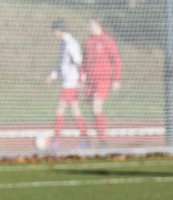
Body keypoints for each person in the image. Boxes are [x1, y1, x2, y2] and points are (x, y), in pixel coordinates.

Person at [45, 19, 85, 151]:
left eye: (54, 31)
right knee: (75, 110)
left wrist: (81, 79)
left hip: (71, 82)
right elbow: (61, 64)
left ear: (59, 30)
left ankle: (56, 140)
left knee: (60, 109)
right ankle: (84, 139)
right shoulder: (63, 44)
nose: (53, 33)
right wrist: (53, 75)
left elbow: (79, 63)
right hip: (67, 81)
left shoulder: (71, 44)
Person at [82, 18, 122, 147]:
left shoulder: (107, 40)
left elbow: (116, 60)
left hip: (102, 80)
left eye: (92, 25)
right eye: (89, 25)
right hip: (90, 80)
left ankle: (102, 140)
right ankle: (98, 137)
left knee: (96, 106)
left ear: (99, 25)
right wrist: (81, 76)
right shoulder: (88, 40)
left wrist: (116, 79)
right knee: (93, 110)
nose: (90, 27)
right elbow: (84, 60)